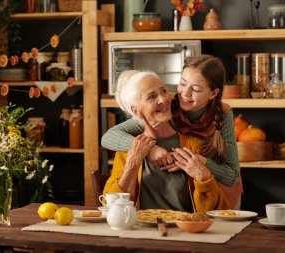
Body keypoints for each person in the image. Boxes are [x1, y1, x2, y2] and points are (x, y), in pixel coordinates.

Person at [102, 55, 242, 209]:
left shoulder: (221, 115)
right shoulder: (170, 105)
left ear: (213, 94)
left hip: (221, 190)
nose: (185, 94)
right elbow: (108, 137)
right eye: (182, 84)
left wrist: (200, 164)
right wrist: (148, 150)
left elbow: (229, 179)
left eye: (195, 89)